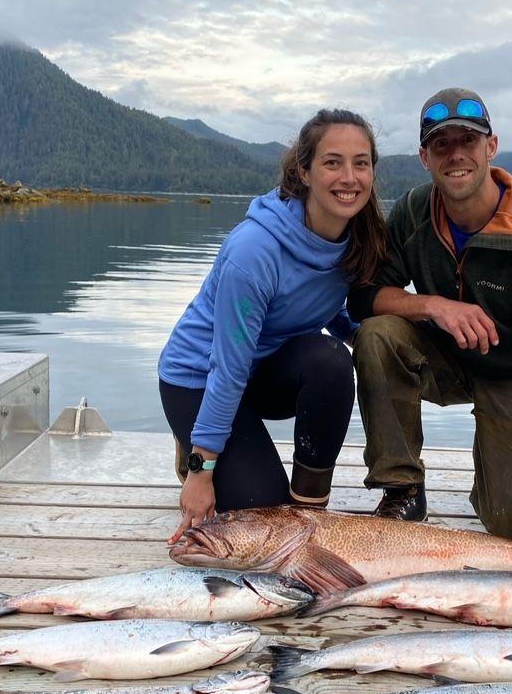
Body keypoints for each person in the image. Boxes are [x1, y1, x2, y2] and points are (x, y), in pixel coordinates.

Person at [348, 87, 512, 544]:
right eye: (441, 144)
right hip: (448, 357)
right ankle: (402, 488)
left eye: (468, 141)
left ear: (490, 147)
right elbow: (364, 297)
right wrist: (432, 304)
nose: (456, 155)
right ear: (424, 157)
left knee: (511, 522)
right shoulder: (414, 212)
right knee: (377, 335)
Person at [160, 108, 387, 542]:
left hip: (261, 373)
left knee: (331, 362)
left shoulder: (358, 237)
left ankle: (310, 510)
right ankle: (191, 443)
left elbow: (329, 309)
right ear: (304, 170)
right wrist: (202, 471)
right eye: (332, 162)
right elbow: (226, 370)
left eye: (361, 163)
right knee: (260, 515)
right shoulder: (254, 252)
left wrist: (366, 339)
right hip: (198, 379)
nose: (349, 177)